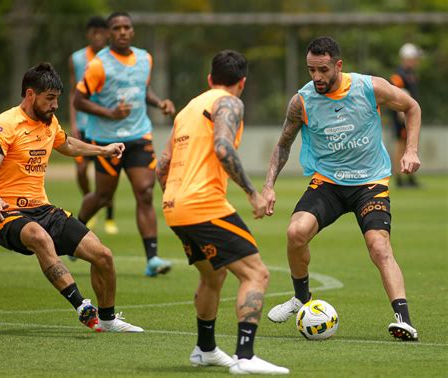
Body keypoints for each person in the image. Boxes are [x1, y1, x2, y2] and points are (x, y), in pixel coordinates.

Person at [262, 36, 421, 342]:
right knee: (296, 233)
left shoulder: (369, 87)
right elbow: (283, 145)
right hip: (329, 183)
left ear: (338, 65)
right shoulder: (302, 101)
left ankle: (403, 319)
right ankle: (301, 299)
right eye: (311, 70)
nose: (317, 77)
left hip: (369, 183)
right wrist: (269, 186)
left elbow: (411, 106)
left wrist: (411, 150)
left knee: (379, 246)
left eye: (322, 70)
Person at [0, 62, 143, 333]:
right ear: (30, 95)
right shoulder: (6, 124)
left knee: (103, 255)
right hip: (7, 214)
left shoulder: (49, 122)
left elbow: (66, 144)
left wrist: (103, 151)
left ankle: (108, 319)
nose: (55, 105)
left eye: (57, 99)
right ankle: (81, 306)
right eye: (50, 99)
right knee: (40, 238)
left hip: (42, 209)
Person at [156, 50, 289, 375]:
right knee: (257, 274)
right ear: (242, 83)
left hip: (175, 205)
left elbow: (162, 165)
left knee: (212, 275)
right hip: (203, 204)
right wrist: (253, 194)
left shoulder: (188, 108)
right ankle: (245, 357)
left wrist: (176, 199)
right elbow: (223, 147)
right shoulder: (229, 102)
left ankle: (205, 350)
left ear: (209, 79)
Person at [74, 11, 174, 277]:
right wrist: (110, 114)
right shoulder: (98, 64)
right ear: (108, 33)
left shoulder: (145, 58)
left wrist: (159, 102)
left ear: (132, 31)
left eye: (126, 27)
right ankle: (74, 229)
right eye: (116, 28)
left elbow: (142, 90)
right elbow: (78, 100)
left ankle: (152, 258)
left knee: (144, 192)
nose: (122, 32)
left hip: (139, 135)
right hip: (107, 140)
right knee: (104, 196)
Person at [68, 15, 119, 234]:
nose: (98, 36)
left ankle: (109, 215)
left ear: (107, 34)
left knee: (108, 174)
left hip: (106, 126)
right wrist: (73, 122)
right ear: (88, 34)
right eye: (93, 32)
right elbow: (73, 93)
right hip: (83, 124)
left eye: (102, 32)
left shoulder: (114, 57)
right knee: (81, 170)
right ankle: (92, 205)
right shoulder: (77, 59)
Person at [390, 43, 422, 188]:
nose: (415, 60)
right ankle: (399, 177)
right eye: (413, 58)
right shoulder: (399, 75)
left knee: (410, 144)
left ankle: (410, 177)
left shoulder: (410, 74)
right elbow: (397, 95)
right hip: (402, 115)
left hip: (409, 114)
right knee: (401, 145)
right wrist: (401, 114)